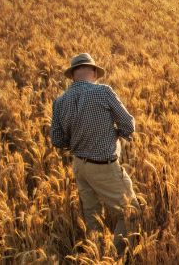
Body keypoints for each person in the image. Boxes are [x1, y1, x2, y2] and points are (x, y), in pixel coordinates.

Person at [49, 53, 137, 254]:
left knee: (92, 217)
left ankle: (96, 255)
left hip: (79, 166)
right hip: (103, 166)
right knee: (131, 212)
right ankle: (114, 256)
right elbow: (128, 124)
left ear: (72, 75)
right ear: (95, 72)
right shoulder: (103, 92)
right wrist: (116, 133)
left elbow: (57, 140)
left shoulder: (60, 101)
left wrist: (78, 139)